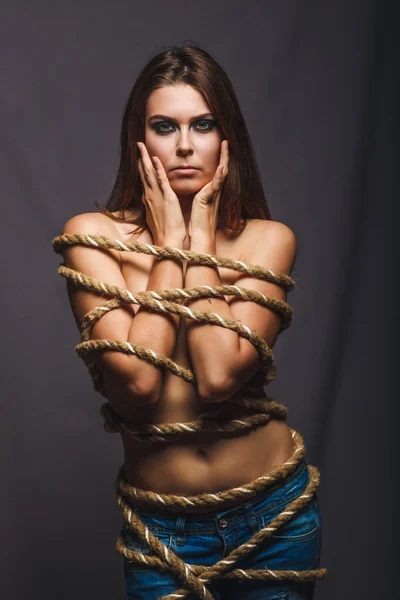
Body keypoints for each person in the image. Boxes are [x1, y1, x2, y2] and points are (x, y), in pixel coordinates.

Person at [58, 42, 322, 600]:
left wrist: (196, 238)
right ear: (139, 138)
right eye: (164, 125)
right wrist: (169, 244)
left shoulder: (267, 240)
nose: (183, 145)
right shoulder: (93, 238)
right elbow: (137, 385)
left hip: (273, 515)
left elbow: (218, 376)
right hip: (162, 532)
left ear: (229, 140)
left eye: (202, 124)